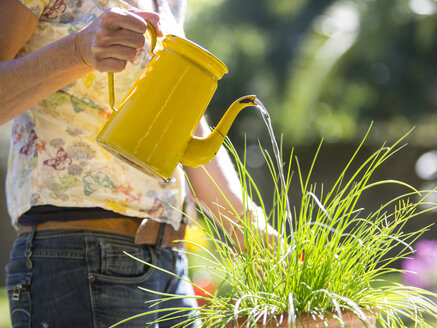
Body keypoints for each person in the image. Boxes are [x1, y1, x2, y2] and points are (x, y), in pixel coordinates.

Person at [0, 0, 276, 326]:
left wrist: (248, 225)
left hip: (170, 265)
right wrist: (78, 50)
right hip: (77, 257)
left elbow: (186, 125)